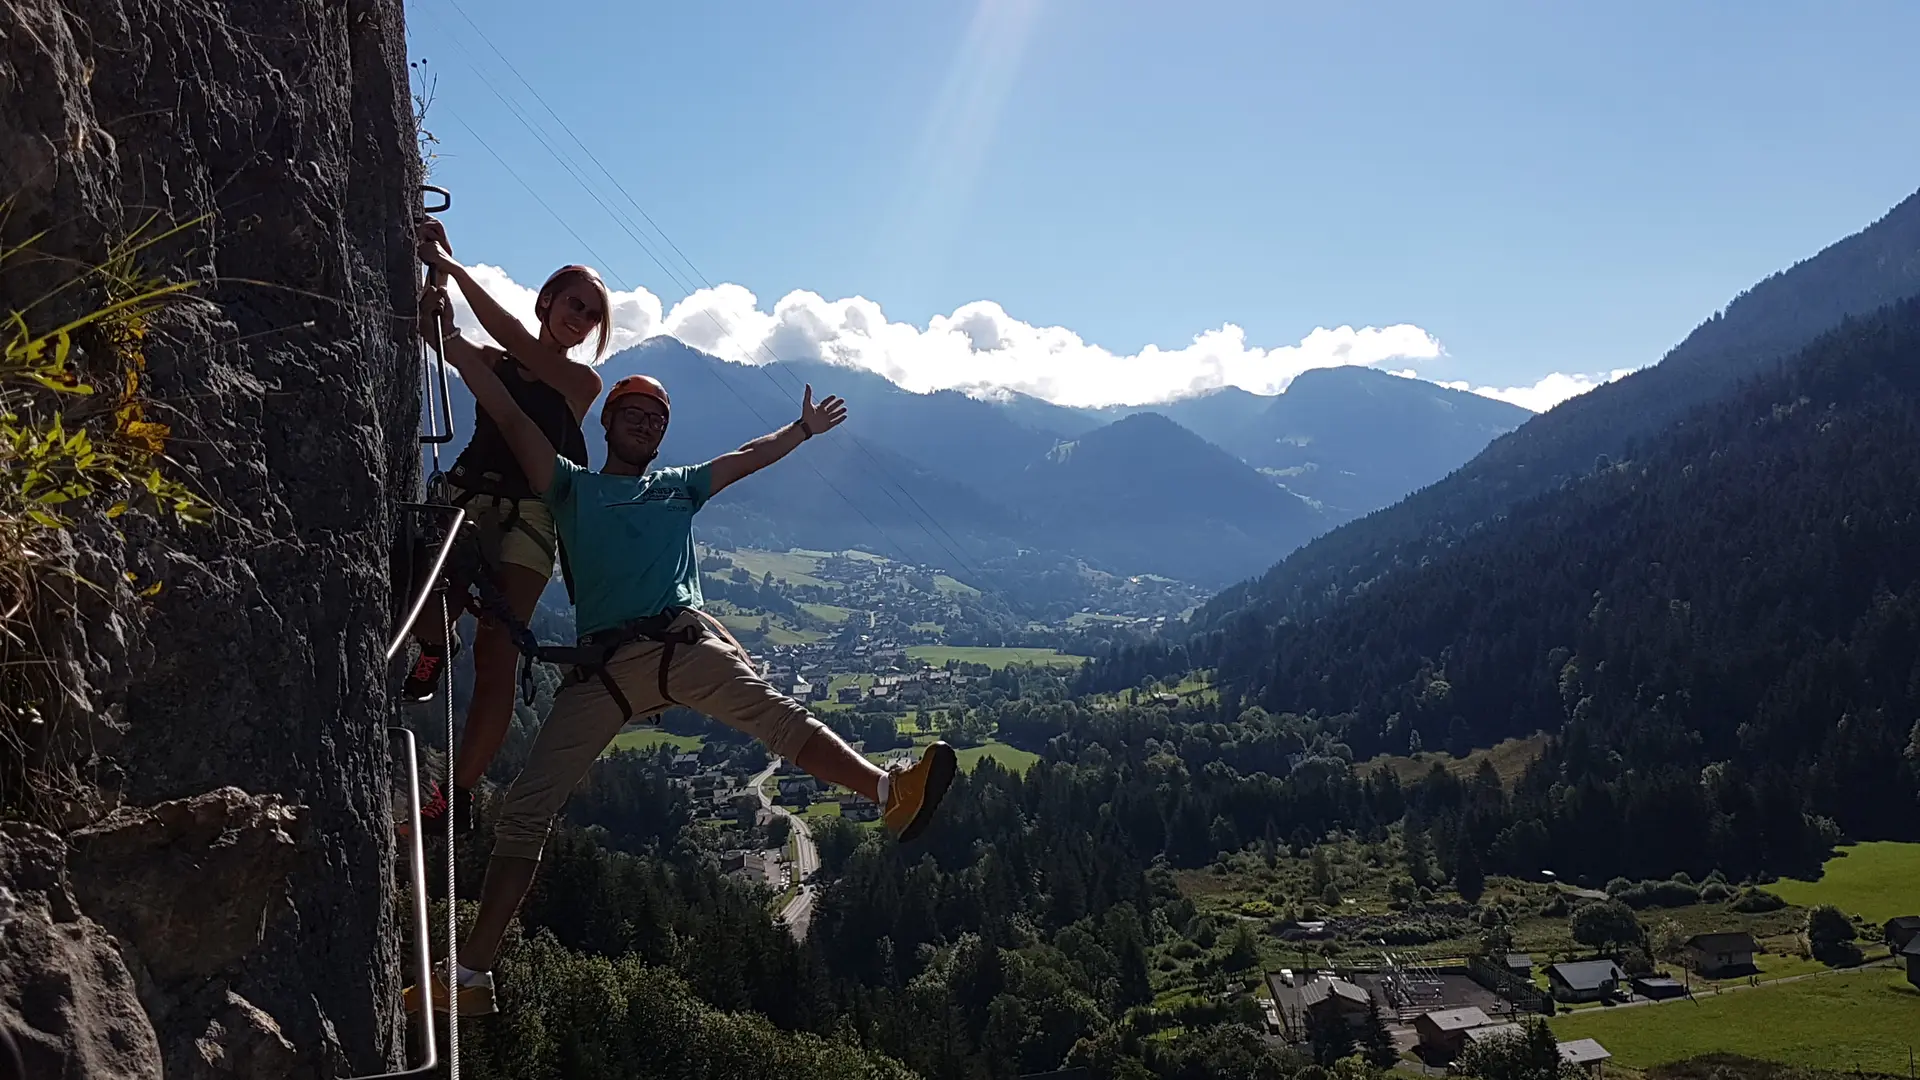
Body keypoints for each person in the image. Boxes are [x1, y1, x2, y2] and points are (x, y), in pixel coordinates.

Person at [402, 246, 957, 1017]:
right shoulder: (570, 487)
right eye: (633, 413)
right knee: (526, 809)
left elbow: (743, 459)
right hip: (604, 669)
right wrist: (450, 339)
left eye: (655, 418)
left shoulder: (676, 488)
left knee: (772, 714)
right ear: (609, 424)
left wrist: (798, 433)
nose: (643, 423)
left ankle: (890, 792)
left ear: (661, 437)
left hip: (676, 644)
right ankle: (469, 978)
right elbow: (502, 407)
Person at [403, 217, 608, 835]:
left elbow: (510, 340)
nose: (581, 317)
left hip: (528, 520)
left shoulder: (581, 383)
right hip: (472, 497)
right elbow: (449, 342)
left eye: (592, 314)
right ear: (548, 299)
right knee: (424, 591)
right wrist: (433, 285)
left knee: (497, 654)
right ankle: (438, 647)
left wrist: (453, 264)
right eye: (575, 302)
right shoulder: (497, 359)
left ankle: (459, 796)